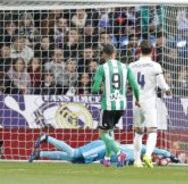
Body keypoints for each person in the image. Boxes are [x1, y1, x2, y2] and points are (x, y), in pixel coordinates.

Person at [91, 44, 140, 167]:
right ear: (115, 54)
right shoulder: (125, 67)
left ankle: (119, 153)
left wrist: (98, 87)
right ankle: (107, 158)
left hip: (108, 106)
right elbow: (134, 86)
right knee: (109, 131)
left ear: (103, 55)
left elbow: (95, 88)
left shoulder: (102, 68)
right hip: (121, 106)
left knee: (102, 134)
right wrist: (138, 99)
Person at [129, 40, 170, 168]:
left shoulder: (131, 66)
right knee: (152, 130)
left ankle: (136, 161)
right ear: (152, 51)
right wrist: (168, 90)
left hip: (136, 101)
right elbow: (162, 86)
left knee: (138, 132)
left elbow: (128, 84)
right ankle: (147, 155)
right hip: (149, 101)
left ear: (140, 50)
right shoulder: (155, 66)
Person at [28, 134, 179, 166]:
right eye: (155, 158)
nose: (153, 159)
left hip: (103, 154)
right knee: (74, 153)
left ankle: (40, 154)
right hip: (103, 146)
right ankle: (46, 138)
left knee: (74, 159)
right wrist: (169, 155)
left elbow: (118, 162)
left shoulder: (137, 162)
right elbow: (157, 150)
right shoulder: (139, 149)